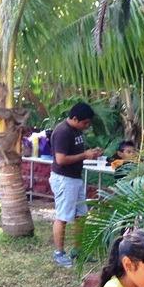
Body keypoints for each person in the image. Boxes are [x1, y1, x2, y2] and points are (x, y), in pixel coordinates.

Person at [50, 102, 102, 268]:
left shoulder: (76, 130)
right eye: (85, 123)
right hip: (64, 179)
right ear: (74, 118)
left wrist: (91, 153)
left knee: (81, 216)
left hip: (75, 178)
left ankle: (78, 250)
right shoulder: (63, 132)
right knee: (63, 216)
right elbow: (61, 159)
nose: (87, 126)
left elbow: (76, 153)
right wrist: (85, 155)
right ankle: (59, 253)